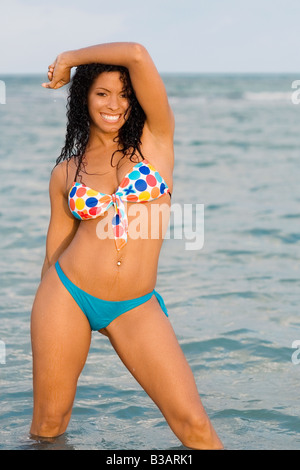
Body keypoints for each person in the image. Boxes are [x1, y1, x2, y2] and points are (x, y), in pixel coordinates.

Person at [30, 42, 223, 450]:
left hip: (135, 303)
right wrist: (45, 314)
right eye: (102, 93)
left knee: (194, 425)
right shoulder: (66, 171)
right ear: (85, 99)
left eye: (124, 94)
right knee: (50, 422)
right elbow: (55, 248)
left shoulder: (155, 141)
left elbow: (136, 53)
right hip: (66, 294)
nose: (114, 104)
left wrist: (68, 58)